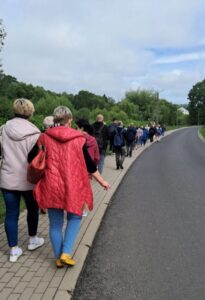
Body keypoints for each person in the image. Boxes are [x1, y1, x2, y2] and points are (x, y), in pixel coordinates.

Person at [33, 106, 110, 268]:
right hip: (73, 184)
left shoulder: (44, 137)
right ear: (70, 120)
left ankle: (58, 257)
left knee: (55, 224)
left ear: (55, 119)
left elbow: (32, 159)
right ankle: (66, 253)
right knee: (75, 218)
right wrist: (102, 181)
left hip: (51, 185)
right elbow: (90, 165)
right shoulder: (79, 138)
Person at [0, 98, 44, 263]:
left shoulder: (3, 129)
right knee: (32, 209)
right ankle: (32, 240)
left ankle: (13, 250)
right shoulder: (35, 133)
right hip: (29, 179)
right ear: (30, 112)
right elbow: (36, 159)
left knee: (11, 213)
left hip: (7, 178)